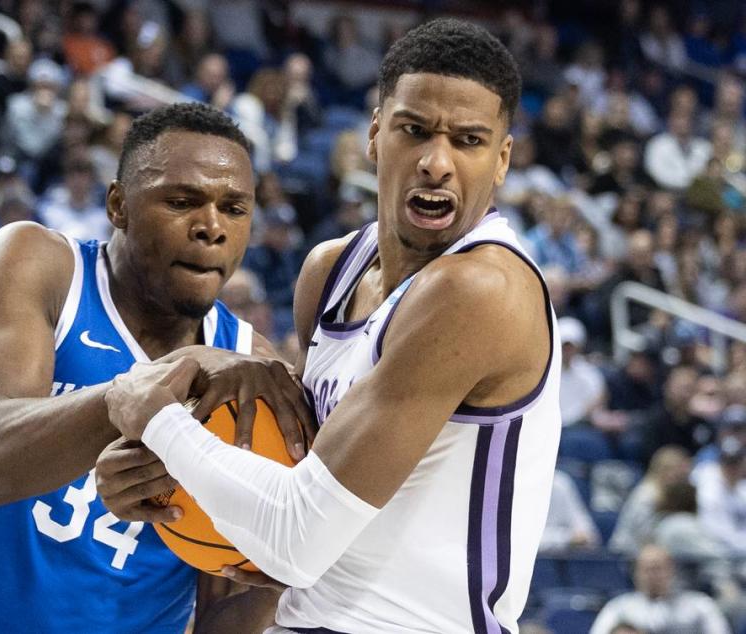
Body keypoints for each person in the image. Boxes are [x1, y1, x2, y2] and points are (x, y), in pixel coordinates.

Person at [99, 19, 561, 633]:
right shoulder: (331, 270)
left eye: (469, 140)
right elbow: (294, 494)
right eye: (414, 130)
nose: (437, 163)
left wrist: (154, 421)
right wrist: (148, 479)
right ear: (375, 134)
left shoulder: (480, 289)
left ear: (502, 160)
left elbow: (296, 540)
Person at [0, 103, 310, 633]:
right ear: (118, 206)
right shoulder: (39, 266)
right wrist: (158, 388)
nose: (211, 226)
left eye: (234, 209)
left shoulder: (253, 368)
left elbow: (217, 615)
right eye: (183, 201)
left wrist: (287, 573)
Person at [589, 544, 731, 634]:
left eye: (657, 568)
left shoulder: (700, 605)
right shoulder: (619, 608)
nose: (652, 575)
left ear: (671, 570)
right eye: (646, 569)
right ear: (635, 574)